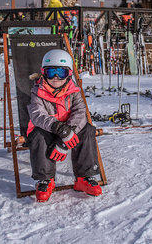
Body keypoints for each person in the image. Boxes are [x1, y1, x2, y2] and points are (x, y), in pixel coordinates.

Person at [27, 49, 102, 202]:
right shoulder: (37, 92)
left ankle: (84, 178)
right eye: (51, 72)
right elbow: (37, 115)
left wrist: (68, 134)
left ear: (68, 75)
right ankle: (45, 180)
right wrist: (60, 129)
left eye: (60, 73)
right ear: (43, 73)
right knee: (38, 135)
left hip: (70, 129)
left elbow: (80, 112)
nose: (55, 78)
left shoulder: (74, 91)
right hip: (48, 129)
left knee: (87, 130)